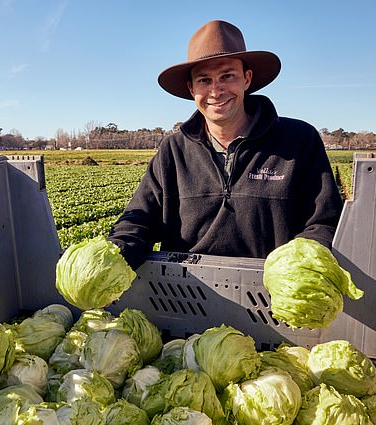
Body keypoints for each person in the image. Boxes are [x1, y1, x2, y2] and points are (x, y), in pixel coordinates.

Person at [108, 20, 343, 270]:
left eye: (227, 76)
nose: (216, 90)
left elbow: (324, 223)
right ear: (191, 89)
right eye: (204, 80)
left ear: (246, 79)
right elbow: (139, 220)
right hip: (185, 298)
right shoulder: (173, 151)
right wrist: (114, 256)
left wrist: (299, 275)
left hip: (272, 298)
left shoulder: (298, 140)